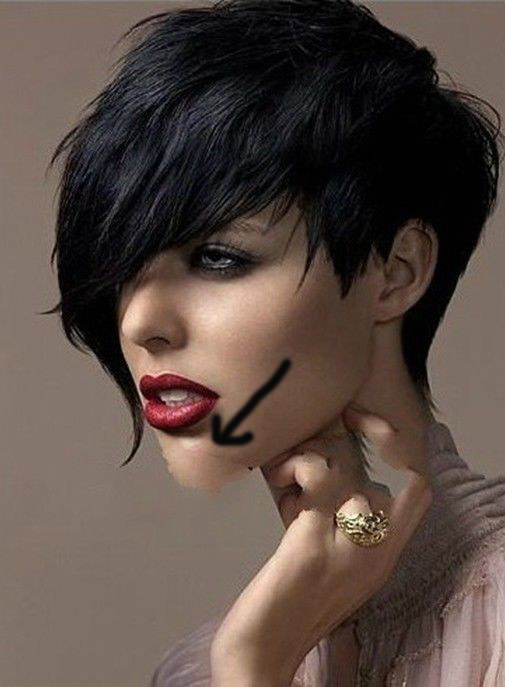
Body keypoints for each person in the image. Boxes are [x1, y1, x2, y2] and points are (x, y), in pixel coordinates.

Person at [39, 0, 505, 684]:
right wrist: (255, 661)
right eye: (124, 271)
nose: (138, 322)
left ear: (396, 270)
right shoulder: (210, 664)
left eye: (217, 257)